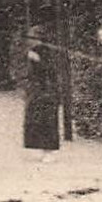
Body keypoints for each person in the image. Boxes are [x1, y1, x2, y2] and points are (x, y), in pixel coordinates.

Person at [22, 26, 61, 162]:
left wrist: (38, 61)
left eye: (33, 38)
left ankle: (49, 150)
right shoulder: (33, 52)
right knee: (36, 119)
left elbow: (50, 71)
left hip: (47, 90)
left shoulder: (46, 52)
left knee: (47, 119)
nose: (30, 41)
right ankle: (42, 147)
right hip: (37, 90)